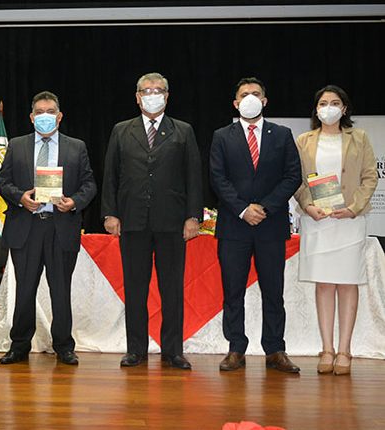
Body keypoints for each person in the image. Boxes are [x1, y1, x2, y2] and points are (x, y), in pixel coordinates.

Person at [101, 73, 203, 369]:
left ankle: (173, 350)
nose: (152, 94)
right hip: (132, 221)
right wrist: (110, 212)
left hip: (172, 222)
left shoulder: (183, 131)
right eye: (147, 90)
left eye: (158, 90)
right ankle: (136, 350)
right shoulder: (121, 130)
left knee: (172, 288)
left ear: (167, 96)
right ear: (137, 96)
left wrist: (193, 216)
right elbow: (111, 174)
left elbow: (194, 177)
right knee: (135, 289)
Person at [0, 91, 97, 365]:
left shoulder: (77, 147)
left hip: (60, 227)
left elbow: (89, 185)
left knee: (60, 290)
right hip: (26, 227)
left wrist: (74, 202)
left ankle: (64, 346)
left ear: (59, 116)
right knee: (25, 290)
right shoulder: (16, 145)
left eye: (50, 111)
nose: (44, 116)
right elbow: (2, 182)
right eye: (39, 112)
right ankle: (19, 345)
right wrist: (20, 198)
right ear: (31, 117)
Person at [209, 77, 302, 373]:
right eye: (244, 94)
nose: (250, 98)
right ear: (235, 103)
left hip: (270, 225)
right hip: (234, 226)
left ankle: (275, 349)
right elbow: (217, 178)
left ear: (265, 100)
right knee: (233, 290)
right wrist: (241, 209)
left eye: (256, 94)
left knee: (273, 290)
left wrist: (265, 207)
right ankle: (236, 347)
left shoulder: (283, 134)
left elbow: (292, 176)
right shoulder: (222, 136)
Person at [294, 85, 377, 375]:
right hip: (318, 221)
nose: (328, 107)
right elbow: (297, 180)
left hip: (350, 221)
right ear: (316, 109)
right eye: (323, 103)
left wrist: (354, 207)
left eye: (335, 102)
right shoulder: (304, 140)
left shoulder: (360, 138)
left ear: (344, 108)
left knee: (347, 282)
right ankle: (326, 349)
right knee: (325, 283)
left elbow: (369, 177)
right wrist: (308, 206)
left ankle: (345, 350)